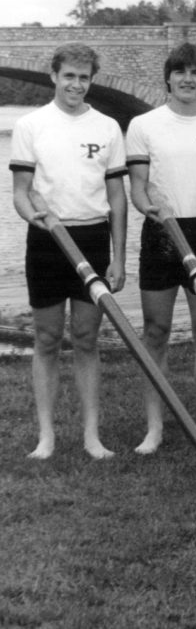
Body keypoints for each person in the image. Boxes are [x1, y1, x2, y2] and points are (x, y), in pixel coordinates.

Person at [10, 43, 128, 459]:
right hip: (46, 241)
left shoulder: (109, 128)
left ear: (91, 80)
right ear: (54, 76)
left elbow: (117, 198)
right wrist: (35, 218)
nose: (76, 84)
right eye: (69, 76)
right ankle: (47, 437)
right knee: (45, 338)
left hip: (92, 239)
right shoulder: (31, 126)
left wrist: (119, 256)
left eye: (84, 77)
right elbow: (21, 194)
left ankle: (91, 436)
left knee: (86, 338)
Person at [125, 43, 196, 454]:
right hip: (160, 234)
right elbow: (137, 186)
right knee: (155, 332)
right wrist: (149, 208)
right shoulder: (143, 125)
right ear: (168, 79)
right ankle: (153, 429)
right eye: (180, 72)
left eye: (195, 72)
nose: (188, 79)